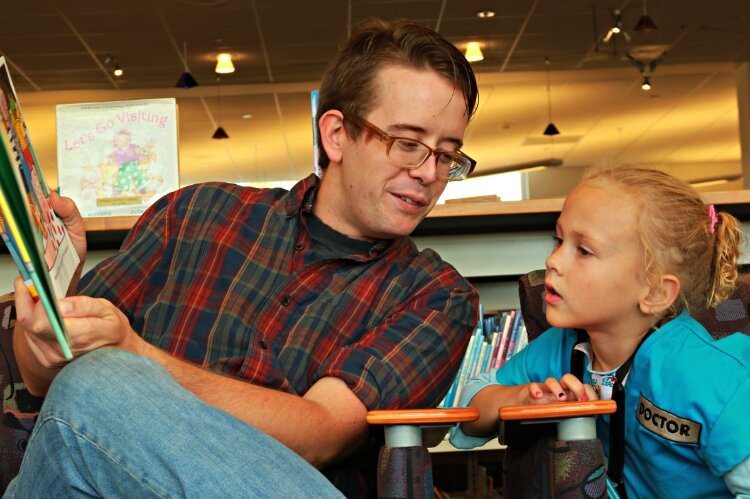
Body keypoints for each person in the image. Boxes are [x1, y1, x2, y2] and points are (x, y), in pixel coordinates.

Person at [8, 18, 480, 498]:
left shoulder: (438, 296)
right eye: (407, 144)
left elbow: (323, 433)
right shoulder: (194, 214)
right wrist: (50, 296)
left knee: (95, 385)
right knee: (81, 394)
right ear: (337, 134)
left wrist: (133, 356)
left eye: (447, 155)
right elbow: (41, 375)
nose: (428, 173)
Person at [450, 166, 750, 498]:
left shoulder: (711, 378)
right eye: (560, 241)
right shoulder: (560, 347)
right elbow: (471, 405)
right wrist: (523, 397)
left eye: (584, 251)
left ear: (654, 293)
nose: (552, 260)